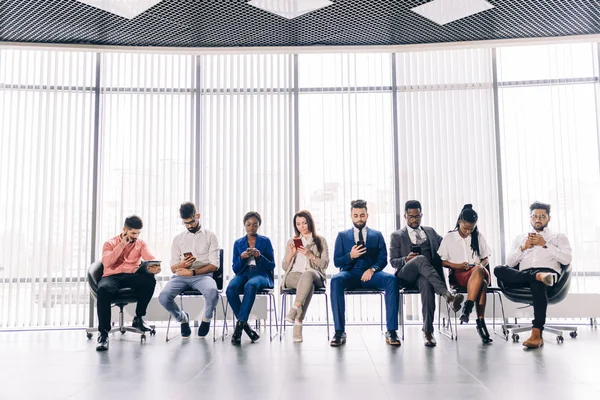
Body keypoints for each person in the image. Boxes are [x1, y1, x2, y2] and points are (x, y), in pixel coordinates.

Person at [495, 201, 572, 348]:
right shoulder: (520, 238)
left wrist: (545, 244)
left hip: (547, 276)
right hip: (524, 275)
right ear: (530, 218)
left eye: (542, 216)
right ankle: (536, 277)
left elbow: (567, 259)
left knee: (538, 282)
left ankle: (537, 333)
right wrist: (523, 248)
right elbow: (510, 263)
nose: (538, 219)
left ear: (549, 218)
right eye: (535, 216)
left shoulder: (558, 237)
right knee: (498, 269)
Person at [390, 200, 464, 347]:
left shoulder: (430, 232)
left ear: (421, 215)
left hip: (425, 277)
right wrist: (406, 259)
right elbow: (392, 261)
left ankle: (428, 332)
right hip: (406, 275)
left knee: (427, 284)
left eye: (417, 216)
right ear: (405, 216)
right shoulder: (397, 235)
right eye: (411, 216)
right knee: (420, 259)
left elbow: (446, 245)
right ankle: (447, 296)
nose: (414, 219)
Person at [330, 199, 400, 347]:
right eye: (356, 215)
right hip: (350, 274)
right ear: (351, 216)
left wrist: (372, 269)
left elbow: (383, 259)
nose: (359, 219)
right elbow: (337, 262)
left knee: (391, 280)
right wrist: (350, 256)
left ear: (367, 215)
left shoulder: (377, 235)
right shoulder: (342, 236)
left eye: (362, 215)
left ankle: (392, 331)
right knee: (335, 280)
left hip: (372, 274)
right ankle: (339, 331)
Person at [96, 215, 161, 351]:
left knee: (149, 280)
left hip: (131, 276)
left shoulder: (140, 243)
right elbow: (107, 262)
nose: (136, 236)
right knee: (103, 290)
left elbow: (150, 258)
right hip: (112, 276)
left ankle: (138, 317)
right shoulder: (110, 243)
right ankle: (103, 334)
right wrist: (122, 245)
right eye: (133, 233)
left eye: (138, 233)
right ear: (124, 230)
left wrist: (155, 267)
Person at [158, 202, 220, 339]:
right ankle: (182, 318)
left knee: (212, 292)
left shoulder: (210, 236)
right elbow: (173, 268)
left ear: (198, 216)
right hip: (181, 276)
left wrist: (192, 272)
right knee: (163, 297)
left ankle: (206, 318)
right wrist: (181, 264)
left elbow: (215, 265)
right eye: (186, 223)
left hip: (203, 276)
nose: (190, 225)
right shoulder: (178, 239)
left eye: (192, 221)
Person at [438, 204, 493, 344]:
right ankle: (480, 322)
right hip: (459, 274)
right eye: (465, 228)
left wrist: (481, 264)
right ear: (459, 222)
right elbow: (441, 261)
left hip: (478, 270)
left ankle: (467, 309)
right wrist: (457, 265)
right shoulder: (449, 237)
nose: (468, 231)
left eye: (471, 228)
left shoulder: (478, 237)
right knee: (483, 284)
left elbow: (486, 258)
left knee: (479, 271)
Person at [226, 211, 276, 345]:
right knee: (230, 288)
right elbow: (235, 269)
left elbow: (271, 265)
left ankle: (239, 329)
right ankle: (246, 328)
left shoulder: (265, 241)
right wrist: (242, 257)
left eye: (255, 224)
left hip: (261, 274)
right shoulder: (238, 243)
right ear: (244, 226)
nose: (251, 227)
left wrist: (259, 256)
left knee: (251, 285)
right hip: (243, 273)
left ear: (259, 225)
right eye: (248, 224)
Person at [282, 210, 329, 342]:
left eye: (304, 223)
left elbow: (324, 265)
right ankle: (298, 321)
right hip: (294, 276)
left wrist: (310, 255)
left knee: (308, 275)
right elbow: (285, 267)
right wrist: (291, 254)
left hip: (315, 275)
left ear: (310, 223)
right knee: (308, 286)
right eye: (298, 224)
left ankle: (294, 308)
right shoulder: (293, 241)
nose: (302, 226)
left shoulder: (320, 240)